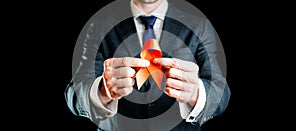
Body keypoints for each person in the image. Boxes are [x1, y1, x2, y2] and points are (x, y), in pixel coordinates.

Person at [65, 0, 231, 130]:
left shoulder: (198, 25)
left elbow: (220, 93)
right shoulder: (99, 25)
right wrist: (102, 92)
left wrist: (196, 93)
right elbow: (74, 94)